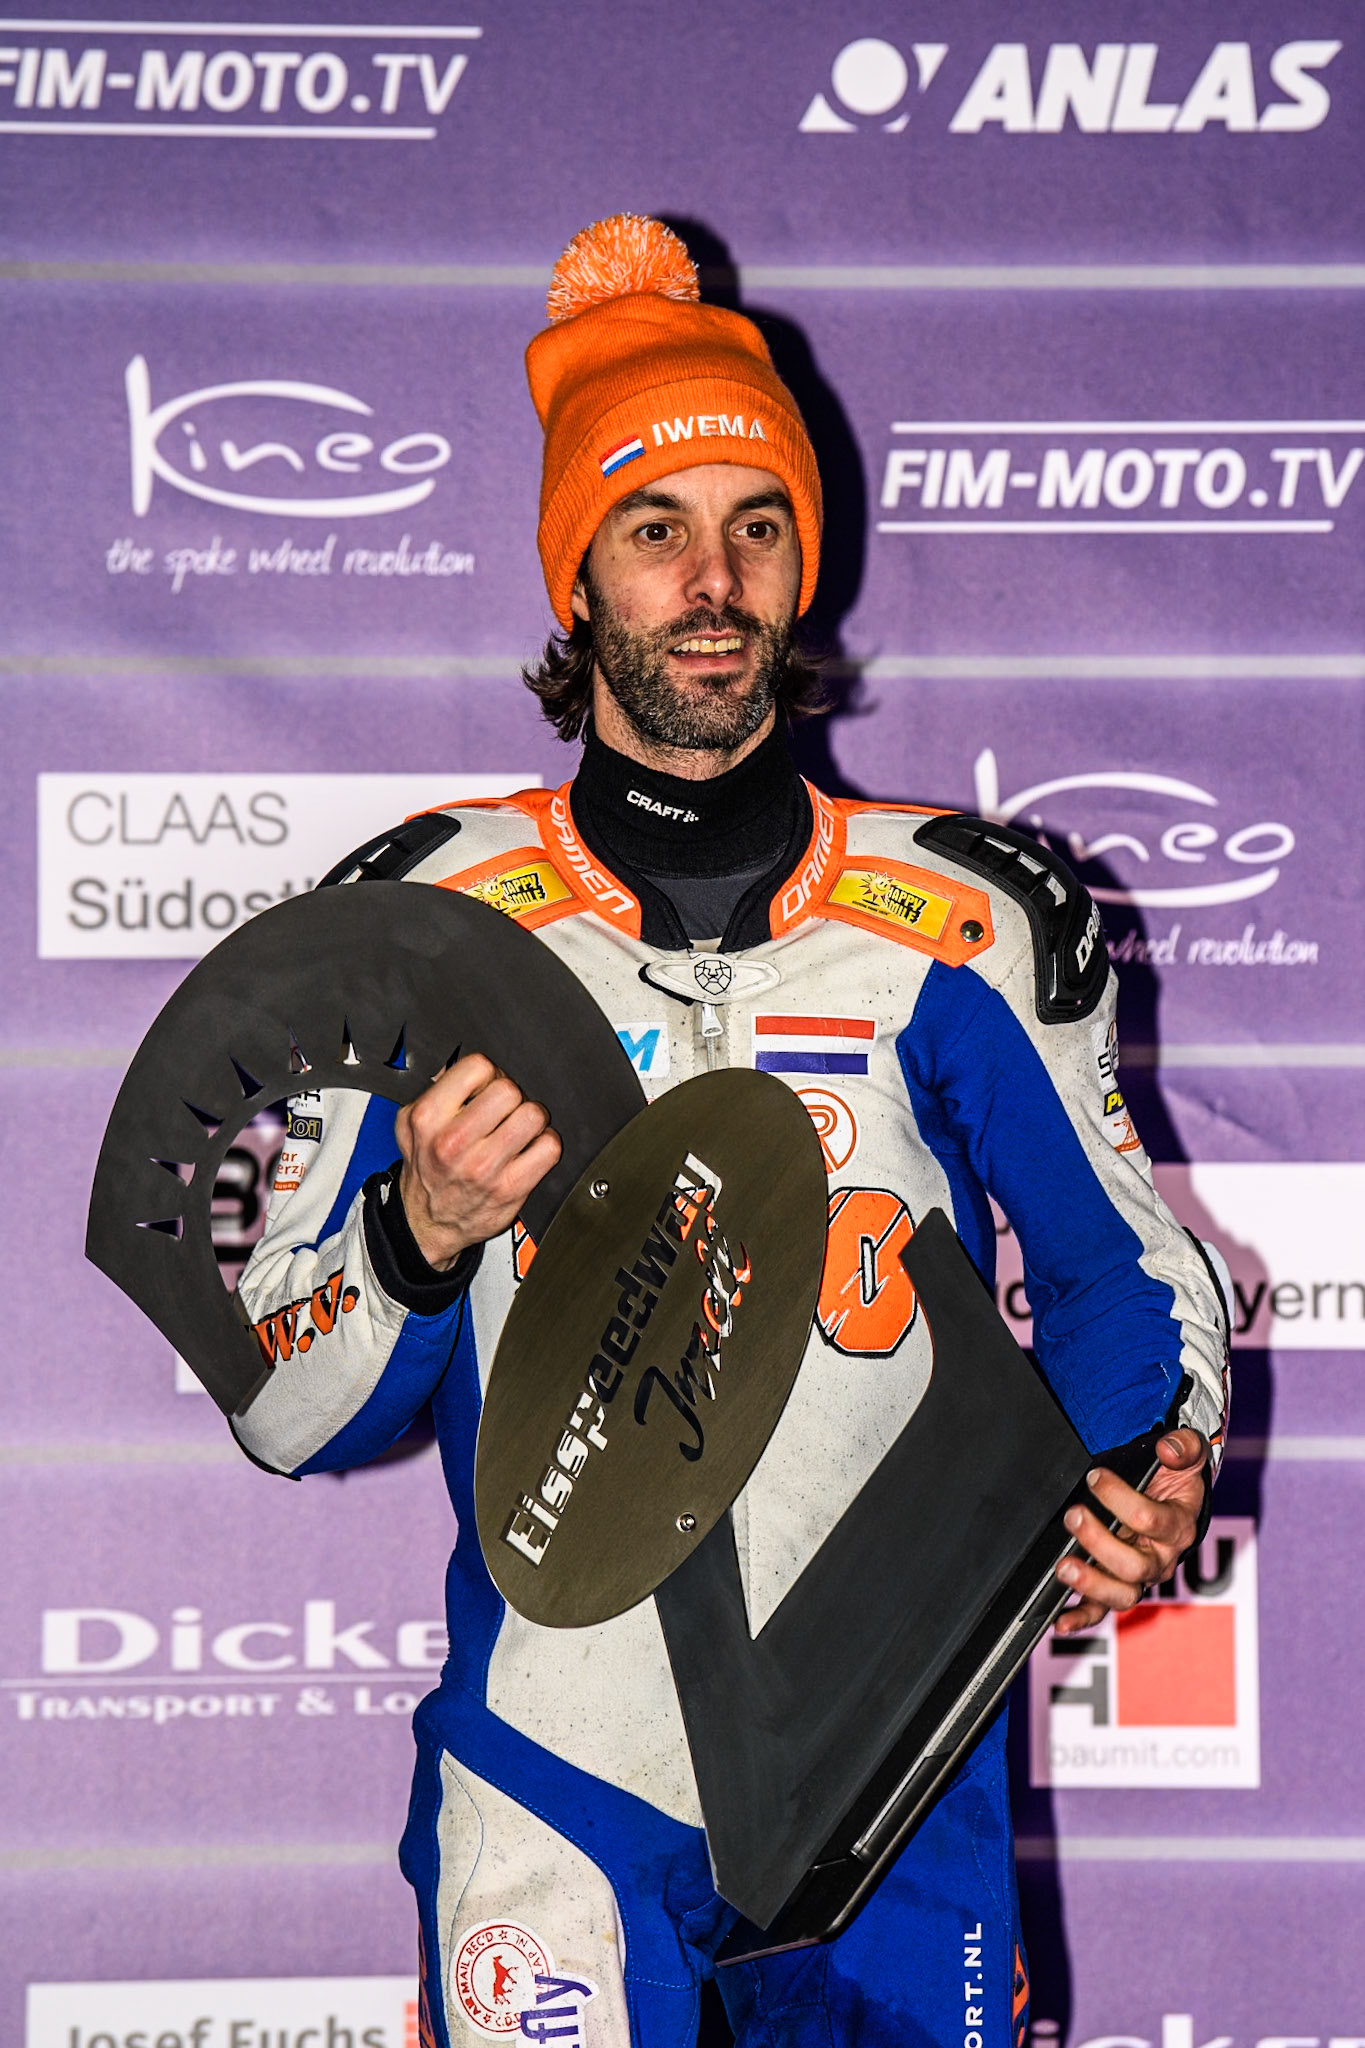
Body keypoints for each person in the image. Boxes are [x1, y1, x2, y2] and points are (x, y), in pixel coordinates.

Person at [236, 216, 1229, 2048]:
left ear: (802, 567)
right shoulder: (426, 916)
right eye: (654, 527)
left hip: (900, 1766)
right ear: (577, 579)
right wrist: (418, 1235)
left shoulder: (972, 912)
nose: (712, 578)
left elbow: (1121, 1275)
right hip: (562, 1775)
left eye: (753, 525)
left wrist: (1146, 1462)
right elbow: (286, 1399)